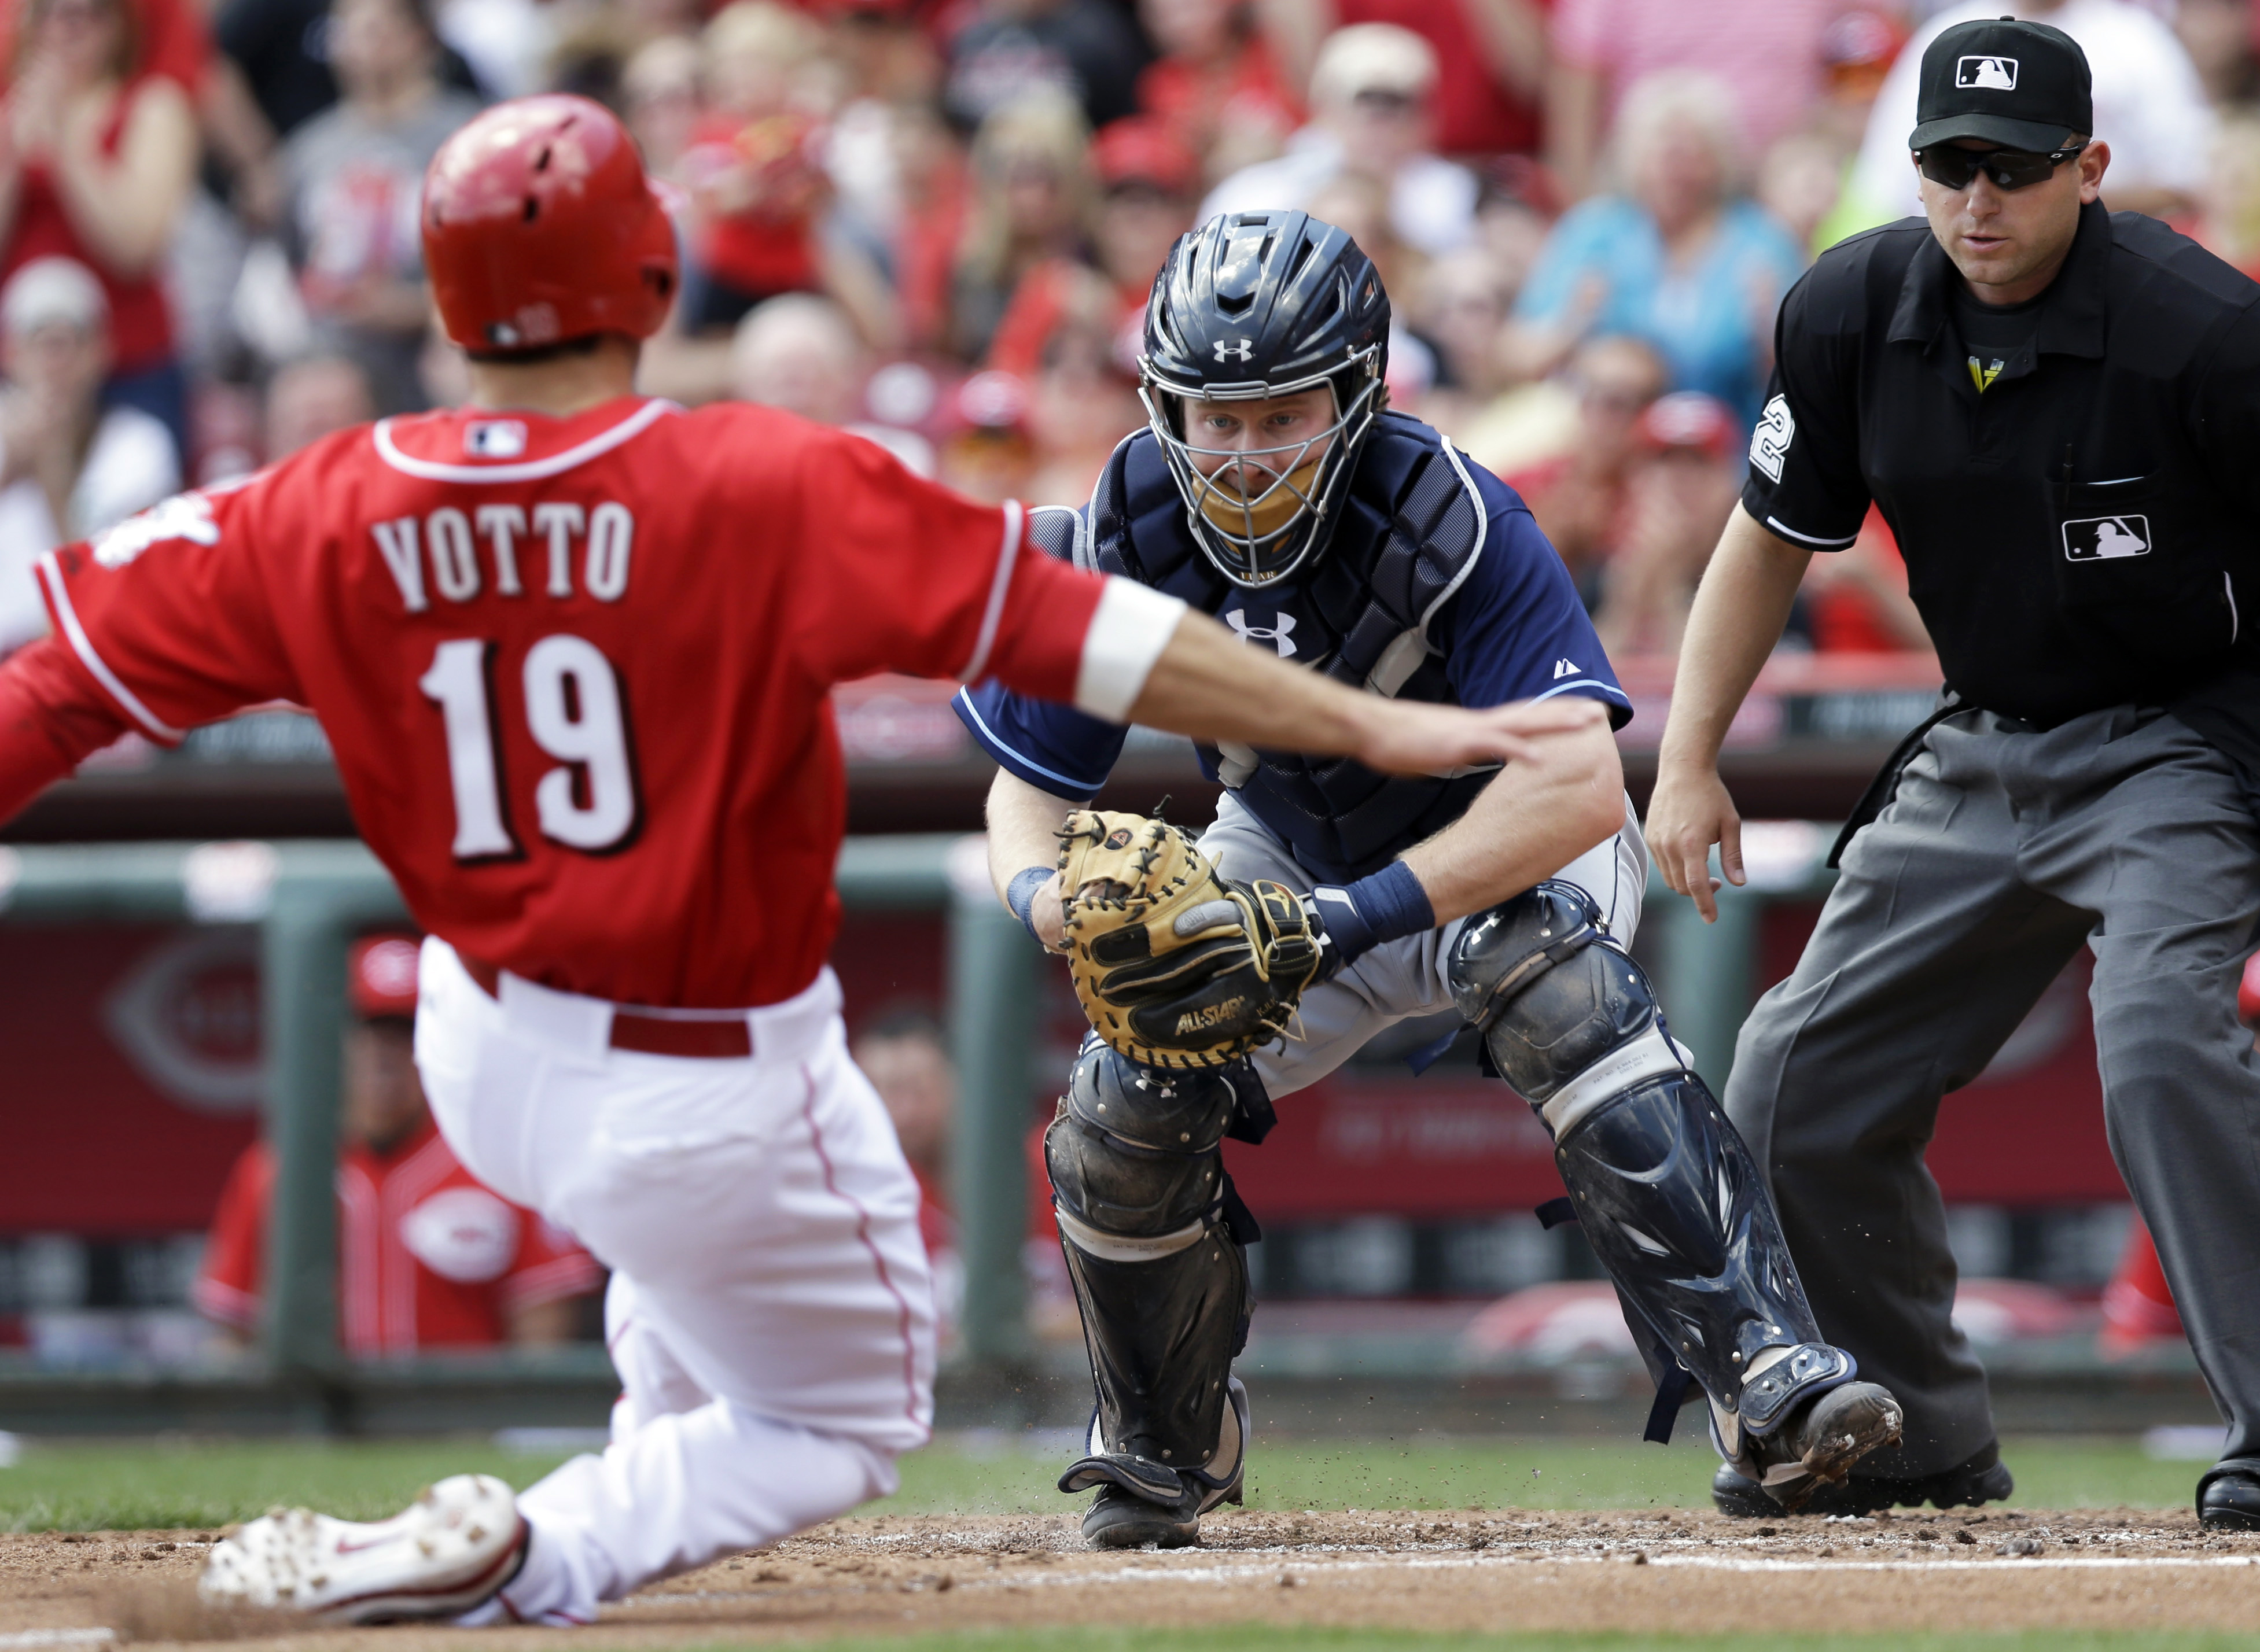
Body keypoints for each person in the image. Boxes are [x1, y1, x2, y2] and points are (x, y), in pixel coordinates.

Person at [0, 94, 1586, 1623]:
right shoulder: (749, 482)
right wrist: (1364, 730)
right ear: (651, 277)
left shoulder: (317, 505)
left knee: (686, 1274)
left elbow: (51, 684)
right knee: (846, 1418)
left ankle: (634, 1464)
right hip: (704, 1076)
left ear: (445, 297)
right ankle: (525, 1549)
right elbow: (1087, 634)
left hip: (481, 1046)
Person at [959, 207, 1903, 1551]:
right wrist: (1045, 904)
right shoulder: (1124, 517)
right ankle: (1171, 1440)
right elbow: (1030, 784)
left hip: (1499, 841)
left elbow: (1577, 781)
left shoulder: (1451, 510)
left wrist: (1349, 919)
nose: (1237, 455)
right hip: (1287, 842)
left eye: (1277, 411)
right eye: (1209, 416)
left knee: (1555, 988)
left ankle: (1765, 1384)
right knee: (1127, 1085)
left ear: (1357, 393)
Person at [1644, 19, 2260, 1530]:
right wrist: (1686, 757)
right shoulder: (1852, 307)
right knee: (1791, 1079)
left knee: (2164, 1048)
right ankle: (1904, 1436)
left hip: (2185, 735)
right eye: (1946, 166)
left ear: (2089, 169)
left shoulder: (2202, 329)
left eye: (2013, 168)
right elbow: (1766, 539)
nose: (1977, 200)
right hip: (1986, 737)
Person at [194, 934, 602, 1355]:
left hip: (463, 1414)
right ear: (329, 1042)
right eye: (363, 1034)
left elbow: (543, 1323)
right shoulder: (277, 1167)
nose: (382, 1057)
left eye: (403, 1035)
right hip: (323, 1417)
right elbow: (233, 1330)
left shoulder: (493, 1157)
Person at [1505, 69, 1807, 431]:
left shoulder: (1762, 241)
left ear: (1719, 160)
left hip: (1729, 441)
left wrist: (1766, 333)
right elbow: (1517, 357)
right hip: (1610, 441)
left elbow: (1805, 375)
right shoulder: (1596, 232)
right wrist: (1573, 323)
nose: (1676, 170)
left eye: (1692, 153)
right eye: (1664, 151)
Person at [0, 0, 200, 462]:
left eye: (88, 14)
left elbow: (135, 246)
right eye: (52, 13)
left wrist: (67, 141)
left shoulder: (152, 105)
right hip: (21, 364)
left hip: (129, 358)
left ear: (118, 26)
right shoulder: (9, 112)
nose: (68, 28)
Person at [279, 0, 483, 414]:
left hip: (441, 364)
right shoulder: (308, 150)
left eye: (376, 31)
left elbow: (499, 265)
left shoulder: (470, 138)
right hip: (340, 365)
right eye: (346, 32)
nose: (359, 47)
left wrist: (412, 306)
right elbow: (295, 260)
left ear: (419, 38)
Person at [1845, 0, 2212, 228]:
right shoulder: (1946, 37)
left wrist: (2049, 197)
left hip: (2112, 259)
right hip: (1958, 267)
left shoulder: (2135, 38)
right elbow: (1885, 187)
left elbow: (2190, 181)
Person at [0, 256, 176, 657]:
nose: (55, 362)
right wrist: (8, 471)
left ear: (102, 350)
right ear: (11, 353)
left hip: (85, 659)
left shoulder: (140, 444)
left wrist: (53, 475)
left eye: (71, 341)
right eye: (39, 341)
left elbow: (114, 596)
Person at [1199, 23, 1477, 260]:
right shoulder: (1254, 197)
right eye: (1367, 110)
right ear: (1324, 110)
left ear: (1428, 120)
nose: (1382, 130)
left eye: (1398, 110)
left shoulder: (1455, 197)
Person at [1544, 0, 1838, 202]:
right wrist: (1583, 212)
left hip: (1774, 188)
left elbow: (1863, 43)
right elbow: (1573, 113)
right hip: (1647, 191)